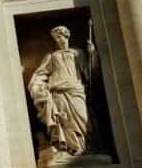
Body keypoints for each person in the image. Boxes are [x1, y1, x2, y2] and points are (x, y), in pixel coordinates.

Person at [28, 26, 96, 156]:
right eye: (56, 38)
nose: (59, 40)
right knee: (64, 120)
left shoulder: (77, 53)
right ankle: (71, 148)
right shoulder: (52, 56)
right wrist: (37, 87)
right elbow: (41, 74)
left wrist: (92, 53)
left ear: (67, 36)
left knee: (83, 118)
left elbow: (89, 72)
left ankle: (86, 146)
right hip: (58, 92)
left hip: (76, 90)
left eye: (60, 36)